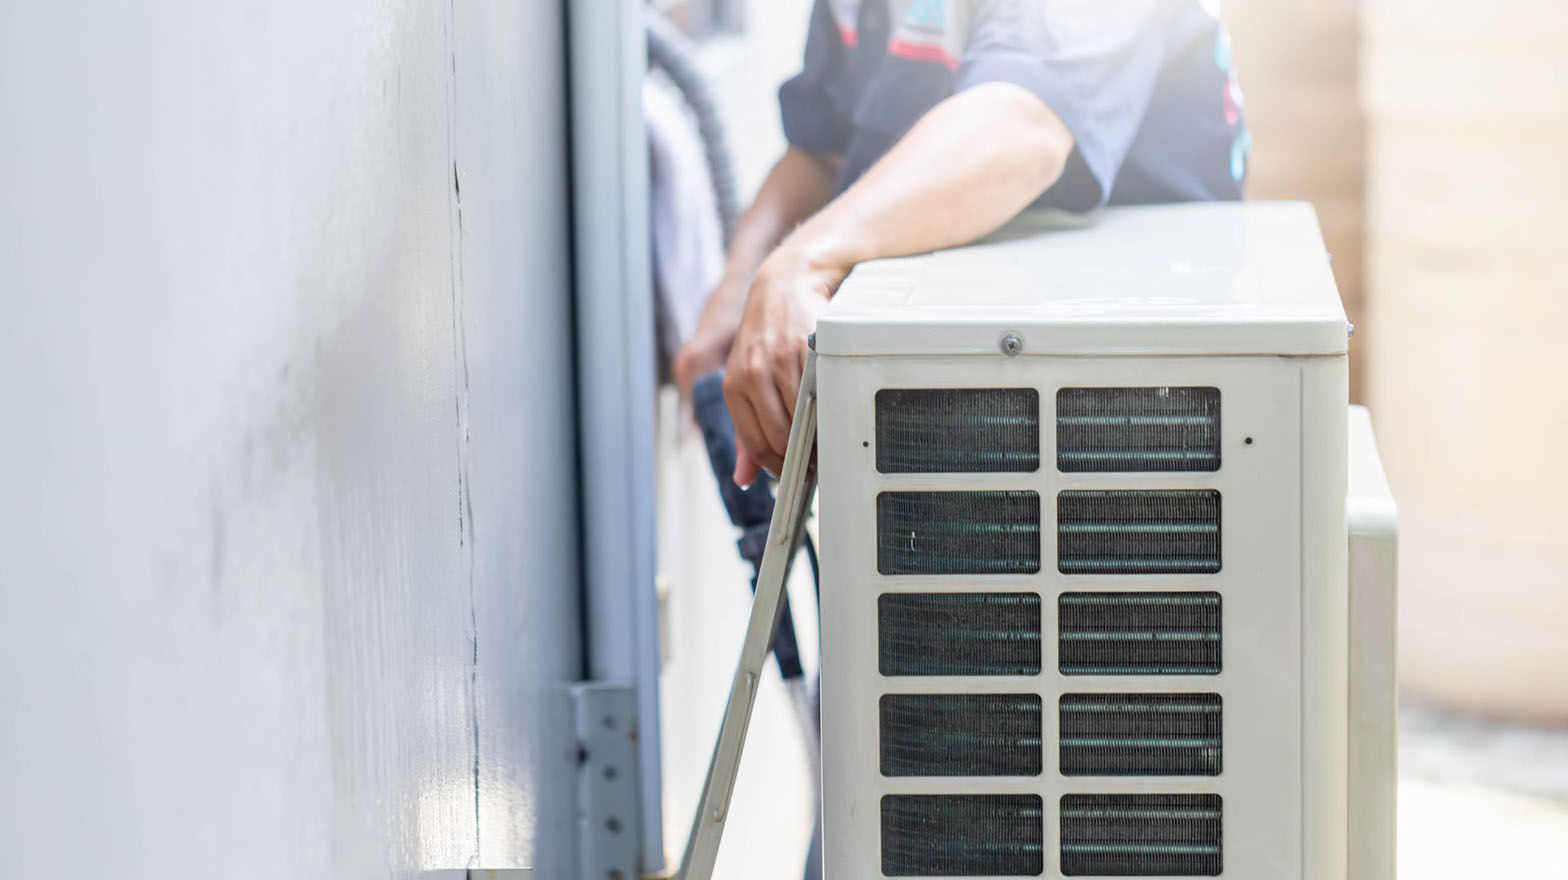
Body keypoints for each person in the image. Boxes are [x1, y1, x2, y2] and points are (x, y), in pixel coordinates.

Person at [674, 0, 1249, 483]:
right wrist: (739, 291)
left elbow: (1021, 127)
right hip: (953, 401)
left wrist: (800, 262)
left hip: (1130, 407)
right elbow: (823, 151)